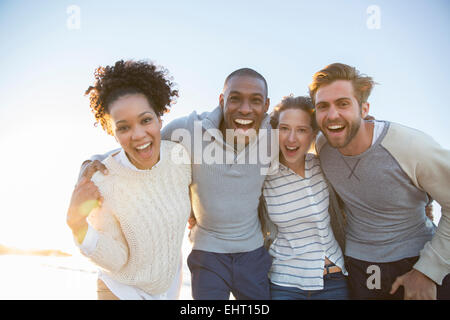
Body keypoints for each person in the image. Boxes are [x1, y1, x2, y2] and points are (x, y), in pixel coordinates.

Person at [76, 68, 276, 300]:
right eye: (235, 98)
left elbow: (303, 147)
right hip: (204, 253)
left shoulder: (273, 137)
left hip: (246, 254)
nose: (245, 109)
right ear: (221, 100)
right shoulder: (188, 131)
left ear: (266, 105)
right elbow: (143, 145)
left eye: (255, 100)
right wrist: (94, 161)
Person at [309, 62, 450, 300]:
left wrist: (428, 271)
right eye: (323, 106)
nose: (332, 115)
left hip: (419, 258)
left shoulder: (411, 146)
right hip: (360, 266)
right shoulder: (323, 146)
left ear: (364, 109)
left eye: (343, 104)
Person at [66, 60, 192, 300]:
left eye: (146, 120)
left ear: (159, 118)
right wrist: (77, 224)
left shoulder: (179, 158)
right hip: (121, 292)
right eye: (124, 128)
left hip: (166, 291)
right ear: (112, 132)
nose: (138, 135)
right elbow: (117, 259)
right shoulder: (104, 181)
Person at [261, 96, 349, 300]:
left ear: (313, 134)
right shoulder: (264, 175)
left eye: (301, 130)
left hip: (334, 281)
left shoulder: (324, 165)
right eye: (284, 128)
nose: (291, 139)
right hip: (284, 284)